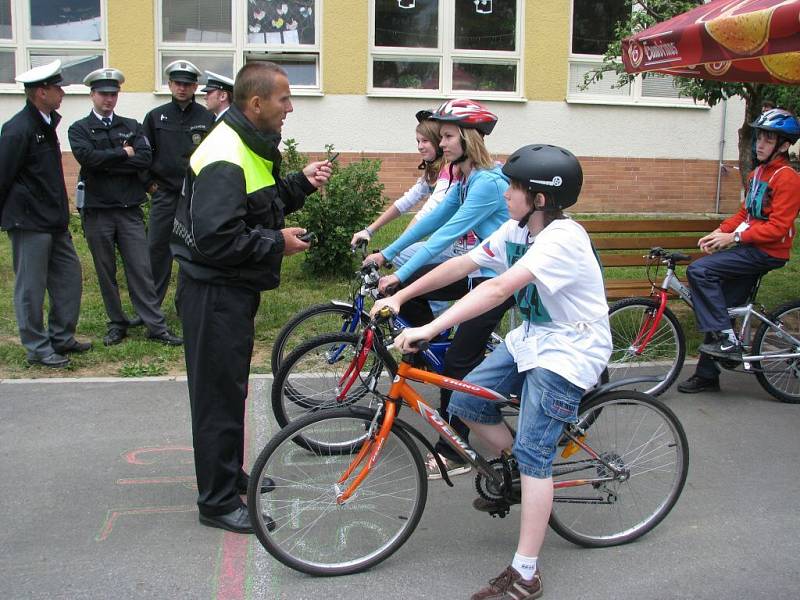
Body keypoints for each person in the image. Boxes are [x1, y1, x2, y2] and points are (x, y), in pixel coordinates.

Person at [373, 144, 611, 600]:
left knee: (535, 453)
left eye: (515, 188)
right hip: (535, 337)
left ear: (539, 199)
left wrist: (430, 327)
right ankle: (521, 469)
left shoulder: (563, 238)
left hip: (570, 347)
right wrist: (402, 293)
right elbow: (463, 264)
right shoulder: (517, 230)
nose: (506, 194)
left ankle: (526, 572)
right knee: (465, 402)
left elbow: (499, 287)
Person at [171, 61, 333, 534]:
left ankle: (229, 476)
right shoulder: (226, 153)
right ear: (256, 103)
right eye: (283, 99)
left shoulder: (245, 142)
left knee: (229, 392)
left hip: (228, 291)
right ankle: (218, 502)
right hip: (213, 293)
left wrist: (300, 183)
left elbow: (259, 202)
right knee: (217, 399)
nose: (290, 108)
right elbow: (217, 238)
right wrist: (276, 243)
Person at [365, 98, 513, 479]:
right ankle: (424, 349)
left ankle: (455, 448)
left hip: (501, 280)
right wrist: (389, 253)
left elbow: (442, 238)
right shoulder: (465, 178)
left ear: (467, 138)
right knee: (413, 286)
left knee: (458, 363)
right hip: (478, 271)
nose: (441, 143)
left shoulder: (487, 184)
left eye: (448, 136)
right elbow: (429, 223)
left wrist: (399, 276)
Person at [678, 108, 800, 394]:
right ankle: (708, 375)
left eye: (768, 140)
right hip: (750, 246)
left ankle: (726, 339)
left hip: (767, 251)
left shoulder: (788, 178)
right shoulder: (759, 172)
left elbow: (778, 228)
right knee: (719, 307)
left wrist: (733, 237)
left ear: (783, 145)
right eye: (759, 137)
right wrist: (720, 230)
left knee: (699, 270)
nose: (759, 144)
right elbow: (746, 213)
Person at [67, 68, 183, 348]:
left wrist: (111, 160)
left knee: (141, 268)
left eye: (114, 94)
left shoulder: (131, 125)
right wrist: (122, 153)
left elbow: (143, 159)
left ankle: (155, 325)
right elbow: (88, 159)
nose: (109, 99)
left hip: (129, 208)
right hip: (98, 210)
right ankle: (116, 322)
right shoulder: (79, 128)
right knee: (105, 270)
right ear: (92, 95)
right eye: (104, 94)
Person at [0, 60, 90, 368]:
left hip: (54, 222)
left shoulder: (45, 124)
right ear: (41, 92)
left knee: (69, 279)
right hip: (29, 222)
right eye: (57, 88)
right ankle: (37, 347)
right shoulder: (18, 129)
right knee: (31, 287)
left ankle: (61, 337)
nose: (62, 92)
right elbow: (3, 176)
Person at [142, 60, 214, 308]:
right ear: (170, 85)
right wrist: (149, 185)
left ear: (195, 87)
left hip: (194, 197)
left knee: (192, 252)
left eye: (187, 84)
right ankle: (151, 309)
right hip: (164, 195)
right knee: (157, 251)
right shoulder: (155, 117)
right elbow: (144, 155)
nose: (182, 88)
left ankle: (187, 307)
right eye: (177, 83)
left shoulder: (206, 118)